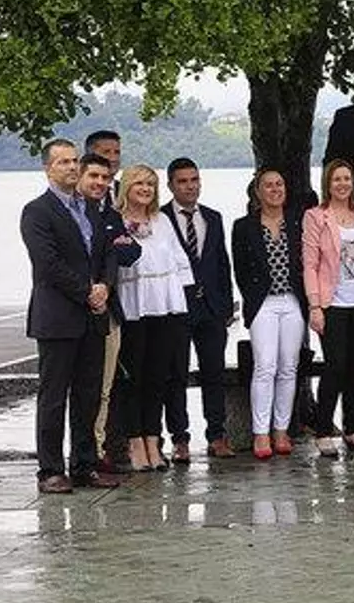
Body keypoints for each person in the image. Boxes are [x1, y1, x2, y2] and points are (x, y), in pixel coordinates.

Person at [20, 139, 122, 492]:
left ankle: (84, 464)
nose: (71, 167)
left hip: (93, 316)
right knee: (53, 397)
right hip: (58, 317)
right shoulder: (37, 212)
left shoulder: (92, 208)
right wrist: (86, 291)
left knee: (88, 394)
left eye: (75, 160)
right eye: (63, 162)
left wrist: (105, 285)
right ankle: (50, 469)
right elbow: (47, 264)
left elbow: (109, 252)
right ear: (47, 168)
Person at [117, 164, 195, 471]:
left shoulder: (161, 220)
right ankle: (135, 441)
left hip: (165, 305)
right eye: (139, 183)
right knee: (133, 377)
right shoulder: (115, 220)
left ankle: (153, 438)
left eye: (150, 184)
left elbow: (179, 261)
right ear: (127, 187)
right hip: (133, 305)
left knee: (158, 376)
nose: (145, 189)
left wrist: (185, 302)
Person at [303, 159, 354, 456]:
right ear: (328, 183)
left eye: (347, 179)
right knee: (334, 366)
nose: (343, 184)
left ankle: (353, 428)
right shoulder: (316, 216)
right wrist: (315, 306)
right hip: (332, 302)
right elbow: (310, 264)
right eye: (337, 179)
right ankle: (323, 430)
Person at [162, 157, 235, 461]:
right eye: (183, 181)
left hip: (212, 308)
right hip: (177, 308)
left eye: (194, 180)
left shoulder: (213, 218)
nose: (190, 186)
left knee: (214, 372)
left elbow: (222, 262)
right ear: (170, 185)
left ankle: (217, 435)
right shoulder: (160, 218)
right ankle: (179, 438)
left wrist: (227, 304)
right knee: (175, 374)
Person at [231, 169, 306, 460]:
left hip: (293, 300)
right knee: (265, 366)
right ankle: (260, 431)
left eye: (279, 184)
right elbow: (240, 269)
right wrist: (252, 298)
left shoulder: (297, 221)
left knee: (289, 366)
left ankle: (281, 429)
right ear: (258, 192)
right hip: (263, 301)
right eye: (269, 186)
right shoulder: (244, 227)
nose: (275, 190)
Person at [79, 151, 140, 471]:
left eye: (105, 178)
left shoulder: (111, 215)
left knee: (105, 387)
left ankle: (98, 448)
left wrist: (105, 285)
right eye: (94, 176)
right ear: (79, 176)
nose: (100, 183)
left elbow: (129, 252)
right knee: (81, 389)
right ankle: (83, 453)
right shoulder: (71, 213)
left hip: (109, 309)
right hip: (74, 310)